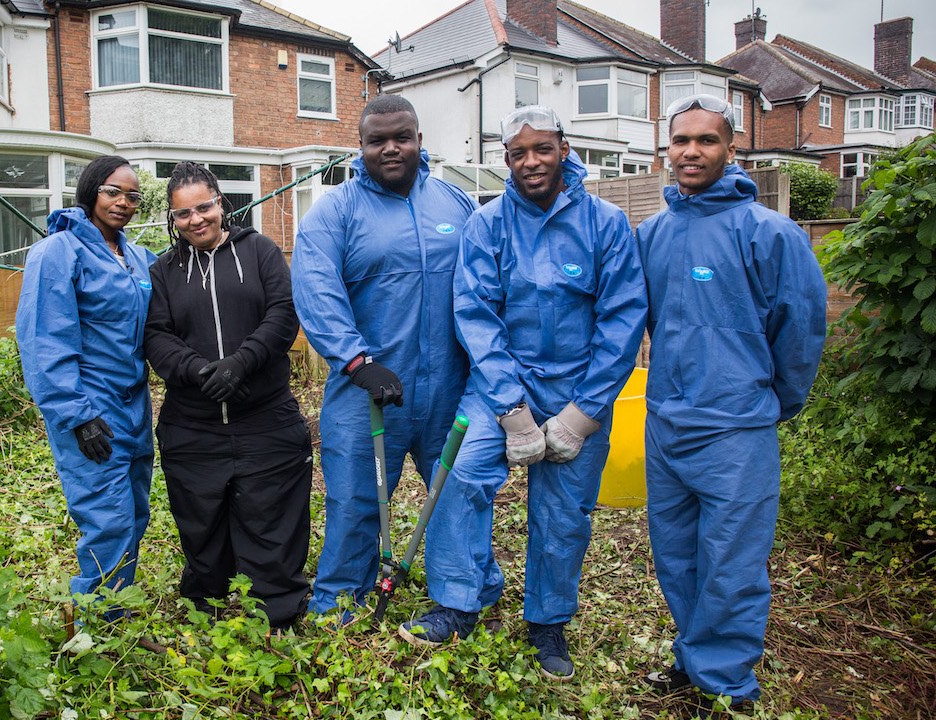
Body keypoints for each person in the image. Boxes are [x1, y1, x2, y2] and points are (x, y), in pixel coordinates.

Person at [398, 106, 646, 681]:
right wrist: (511, 411)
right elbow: (476, 314)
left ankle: (548, 624)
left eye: (542, 149)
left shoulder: (606, 224)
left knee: (563, 512)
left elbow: (622, 321)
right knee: (460, 477)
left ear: (564, 147)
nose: (531, 161)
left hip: (579, 389)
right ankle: (459, 603)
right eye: (518, 153)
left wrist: (582, 415)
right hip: (499, 388)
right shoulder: (487, 224)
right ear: (505, 160)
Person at [636, 94, 827, 707]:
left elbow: (800, 331)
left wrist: (770, 403)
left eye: (707, 140)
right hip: (668, 423)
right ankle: (693, 658)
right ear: (666, 149)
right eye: (681, 140)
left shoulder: (769, 234)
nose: (692, 151)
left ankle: (728, 684)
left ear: (732, 149)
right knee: (677, 555)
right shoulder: (654, 234)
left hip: (736, 430)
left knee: (732, 564)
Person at [292, 95, 476, 618]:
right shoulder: (335, 212)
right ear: (361, 146)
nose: (391, 148)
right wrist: (357, 363)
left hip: (448, 386)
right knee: (355, 498)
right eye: (378, 140)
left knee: (459, 493)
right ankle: (340, 598)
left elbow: (487, 286)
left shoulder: (455, 204)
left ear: (421, 140)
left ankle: (460, 594)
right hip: (367, 389)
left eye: (403, 137)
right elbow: (315, 289)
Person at [144, 161, 313, 630]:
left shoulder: (260, 251)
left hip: (265, 415)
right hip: (193, 423)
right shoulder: (164, 270)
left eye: (204, 207)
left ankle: (278, 610)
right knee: (201, 519)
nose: (196, 219)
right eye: (183, 214)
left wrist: (242, 362)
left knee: (272, 513)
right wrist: (198, 370)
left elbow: (282, 314)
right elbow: (157, 336)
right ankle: (206, 605)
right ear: (172, 220)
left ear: (222, 203)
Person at [15, 155, 158, 618]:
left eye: (133, 195)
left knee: (135, 513)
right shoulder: (58, 252)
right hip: (89, 408)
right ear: (91, 190)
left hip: (133, 405)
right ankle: (97, 623)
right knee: (108, 519)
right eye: (113, 191)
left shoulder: (135, 255)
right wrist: (77, 416)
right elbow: (44, 340)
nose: (123, 202)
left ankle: (115, 608)